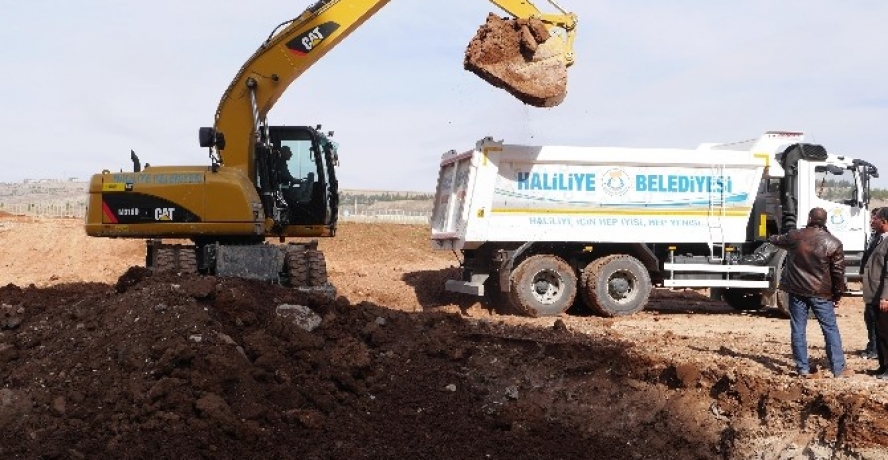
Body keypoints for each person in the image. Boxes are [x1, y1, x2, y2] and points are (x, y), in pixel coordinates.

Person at [769, 207, 851, 378]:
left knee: (798, 328)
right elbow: (838, 274)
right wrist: (837, 295)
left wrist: (781, 230)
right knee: (830, 329)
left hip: (797, 291)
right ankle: (838, 369)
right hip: (821, 293)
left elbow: (774, 240)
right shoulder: (834, 243)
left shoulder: (795, 236)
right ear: (825, 221)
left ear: (809, 218)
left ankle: (802, 368)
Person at [862, 207, 888, 379]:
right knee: (879, 332)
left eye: (876, 219)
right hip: (874, 295)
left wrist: (886, 296)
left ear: (885, 222)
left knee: (886, 332)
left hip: (882, 296)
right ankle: (882, 365)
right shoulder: (879, 239)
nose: (873, 221)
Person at [859, 207, 883, 359]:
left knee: (876, 318)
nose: (871, 221)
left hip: (880, 285)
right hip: (871, 284)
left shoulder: (885, 239)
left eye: (874, 218)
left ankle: (876, 349)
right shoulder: (874, 236)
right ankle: (872, 345)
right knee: (869, 316)